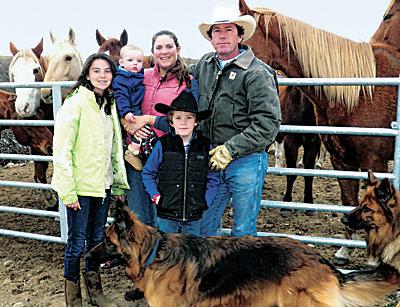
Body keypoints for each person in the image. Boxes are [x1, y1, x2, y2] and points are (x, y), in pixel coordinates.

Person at [120, 29, 200, 302]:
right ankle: (143, 279)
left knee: (160, 219)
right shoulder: (142, 76)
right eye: (158, 47)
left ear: (177, 48)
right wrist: (127, 122)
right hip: (136, 154)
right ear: (152, 52)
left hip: (167, 157)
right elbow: (124, 104)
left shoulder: (187, 82)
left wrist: (149, 120)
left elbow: (183, 120)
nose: (163, 52)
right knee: (139, 217)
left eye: (168, 46)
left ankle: (163, 281)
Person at [190, 6, 281, 237]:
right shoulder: (205, 65)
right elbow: (179, 75)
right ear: (210, 38)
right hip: (211, 157)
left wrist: (230, 150)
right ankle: (216, 273)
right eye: (216, 31)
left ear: (240, 35)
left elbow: (267, 123)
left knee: (243, 229)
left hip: (245, 160)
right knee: (206, 225)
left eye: (228, 29)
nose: (222, 35)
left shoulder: (256, 73)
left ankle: (243, 274)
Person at [51, 53, 129, 307]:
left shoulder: (108, 104)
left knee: (96, 242)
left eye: (107, 71)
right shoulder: (75, 104)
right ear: (86, 74)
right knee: (76, 244)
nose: (102, 75)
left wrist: (116, 181)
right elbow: (61, 150)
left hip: (102, 185)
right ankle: (73, 300)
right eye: (97, 71)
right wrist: (68, 191)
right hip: (81, 188)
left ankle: (96, 294)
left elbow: (114, 146)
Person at [142, 91, 218, 236]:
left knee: (191, 252)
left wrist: (205, 200)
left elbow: (213, 177)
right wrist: (155, 195)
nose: (183, 122)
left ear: (196, 121)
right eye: (178, 118)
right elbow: (148, 173)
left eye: (189, 118)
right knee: (166, 251)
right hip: (167, 213)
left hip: (194, 214)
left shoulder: (205, 146)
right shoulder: (163, 145)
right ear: (171, 122)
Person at [112, 44, 146, 171]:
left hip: (137, 106)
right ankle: (132, 151)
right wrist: (126, 112)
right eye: (130, 61)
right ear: (121, 62)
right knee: (139, 129)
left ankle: (136, 149)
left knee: (143, 130)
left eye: (139, 61)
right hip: (131, 108)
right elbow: (121, 97)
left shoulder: (137, 74)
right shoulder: (122, 79)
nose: (135, 64)